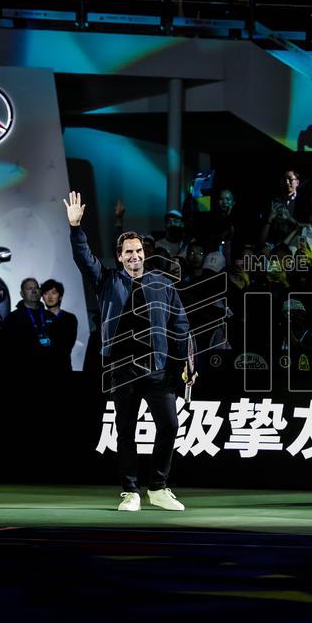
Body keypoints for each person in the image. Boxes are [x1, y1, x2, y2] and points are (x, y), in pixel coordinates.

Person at [65, 190, 194, 513]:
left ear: (144, 254)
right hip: (121, 369)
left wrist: (189, 362)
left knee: (169, 425)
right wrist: (76, 228)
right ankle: (130, 491)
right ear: (120, 256)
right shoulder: (107, 281)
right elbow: (83, 257)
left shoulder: (162, 285)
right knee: (126, 430)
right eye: (128, 252)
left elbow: (180, 326)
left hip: (158, 370)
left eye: (138, 251)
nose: (135, 256)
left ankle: (159, 487)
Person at [41, 278, 78, 372]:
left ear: (60, 296)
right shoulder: (37, 318)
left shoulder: (69, 318)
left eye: (53, 293)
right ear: (42, 297)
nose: (49, 296)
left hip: (63, 367)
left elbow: (66, 345)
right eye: (46, 293)